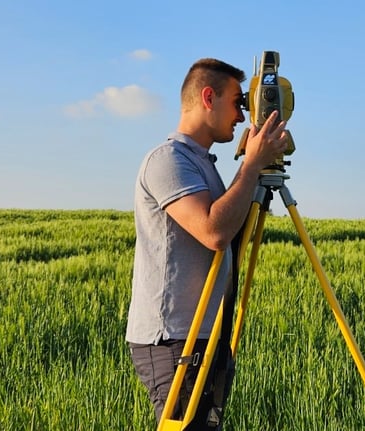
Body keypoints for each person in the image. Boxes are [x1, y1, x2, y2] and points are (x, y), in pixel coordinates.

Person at [126, 57, 290, 429]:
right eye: (237, 102)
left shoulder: (203, 163)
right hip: (173, 338)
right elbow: (214, 232)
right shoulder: (167, 160)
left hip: (204, 332)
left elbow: (232, 230)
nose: (242, 114)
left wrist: (256, 169)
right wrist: (250, 166)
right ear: (208, 97)